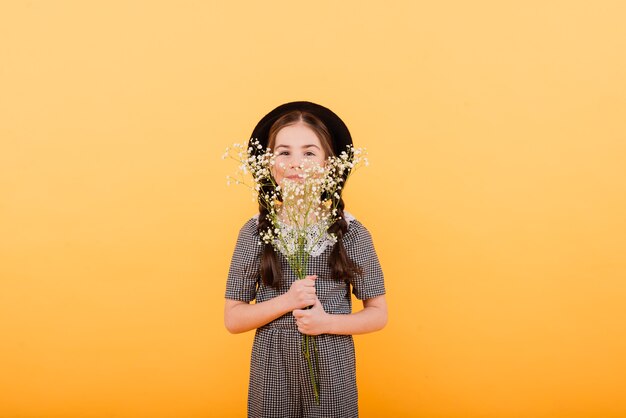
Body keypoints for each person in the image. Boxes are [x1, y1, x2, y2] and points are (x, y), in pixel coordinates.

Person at [224, 101, 387, 418]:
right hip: (272, 366)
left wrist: (327, 323)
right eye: (284, 152)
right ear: (269, 164)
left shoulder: (351, 233)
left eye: (309, 152)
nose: (295, 163)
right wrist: (287, 300)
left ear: (329, 164)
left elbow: (378, 314)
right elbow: (233, 319)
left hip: (331, 364)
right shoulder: (255, 232)